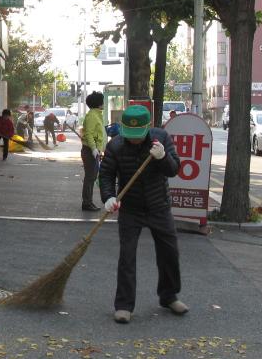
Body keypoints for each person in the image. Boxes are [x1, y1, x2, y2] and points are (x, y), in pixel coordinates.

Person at [98, 104, 187, 324]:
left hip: (159, 206)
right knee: (127, 256)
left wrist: (162, 157)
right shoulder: (116, 146)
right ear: (123, 129)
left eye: (139, 136)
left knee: (169, 252)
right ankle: (124, 305)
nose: (135, 140)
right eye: (131, 135)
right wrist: (108, 197)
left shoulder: (161, 138)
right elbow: (106, 175)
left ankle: (169, 296)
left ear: (148, 128)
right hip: (131, 208)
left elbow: (174, 169)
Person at [80, 91, 106, 211]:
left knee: (92, 176)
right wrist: (94, 149)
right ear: (98, 103)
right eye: (102, 101)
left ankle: (88, 202)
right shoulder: (92, 116)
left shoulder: (97, 114)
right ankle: (87, 203)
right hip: (90, 150)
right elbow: (89, 134)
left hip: (94, 151)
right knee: (90, 177)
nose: (103, 103)